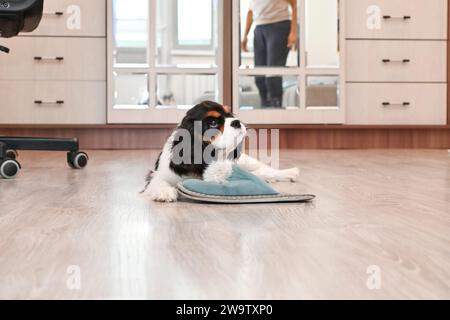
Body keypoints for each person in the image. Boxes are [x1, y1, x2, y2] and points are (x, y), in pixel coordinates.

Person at [242, 0, 297, 108]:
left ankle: (276, 110)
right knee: (259, 77)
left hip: (279, 25)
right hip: (259, 28)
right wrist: (245, 35)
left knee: (272, 76)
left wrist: (293, 32)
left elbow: (294, 4)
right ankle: (265, 108)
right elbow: (250, 11)